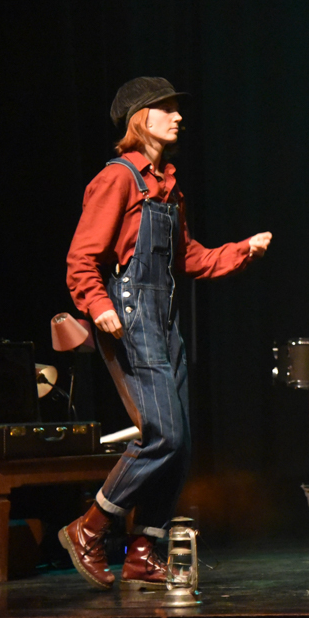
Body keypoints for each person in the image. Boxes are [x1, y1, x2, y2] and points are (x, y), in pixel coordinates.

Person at [63, 77, 272, 590]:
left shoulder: (167, 187)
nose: (178, 117)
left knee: (180, 447)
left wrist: (241, 250)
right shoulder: (117, 179)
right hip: (131, 313)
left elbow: (191, 258)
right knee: (164, 434)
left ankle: (142, 550)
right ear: (140, 119)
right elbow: (81, 258)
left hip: (165, 318)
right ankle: (89, 527)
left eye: (178, 110)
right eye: (167, 109)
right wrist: (98, 304)